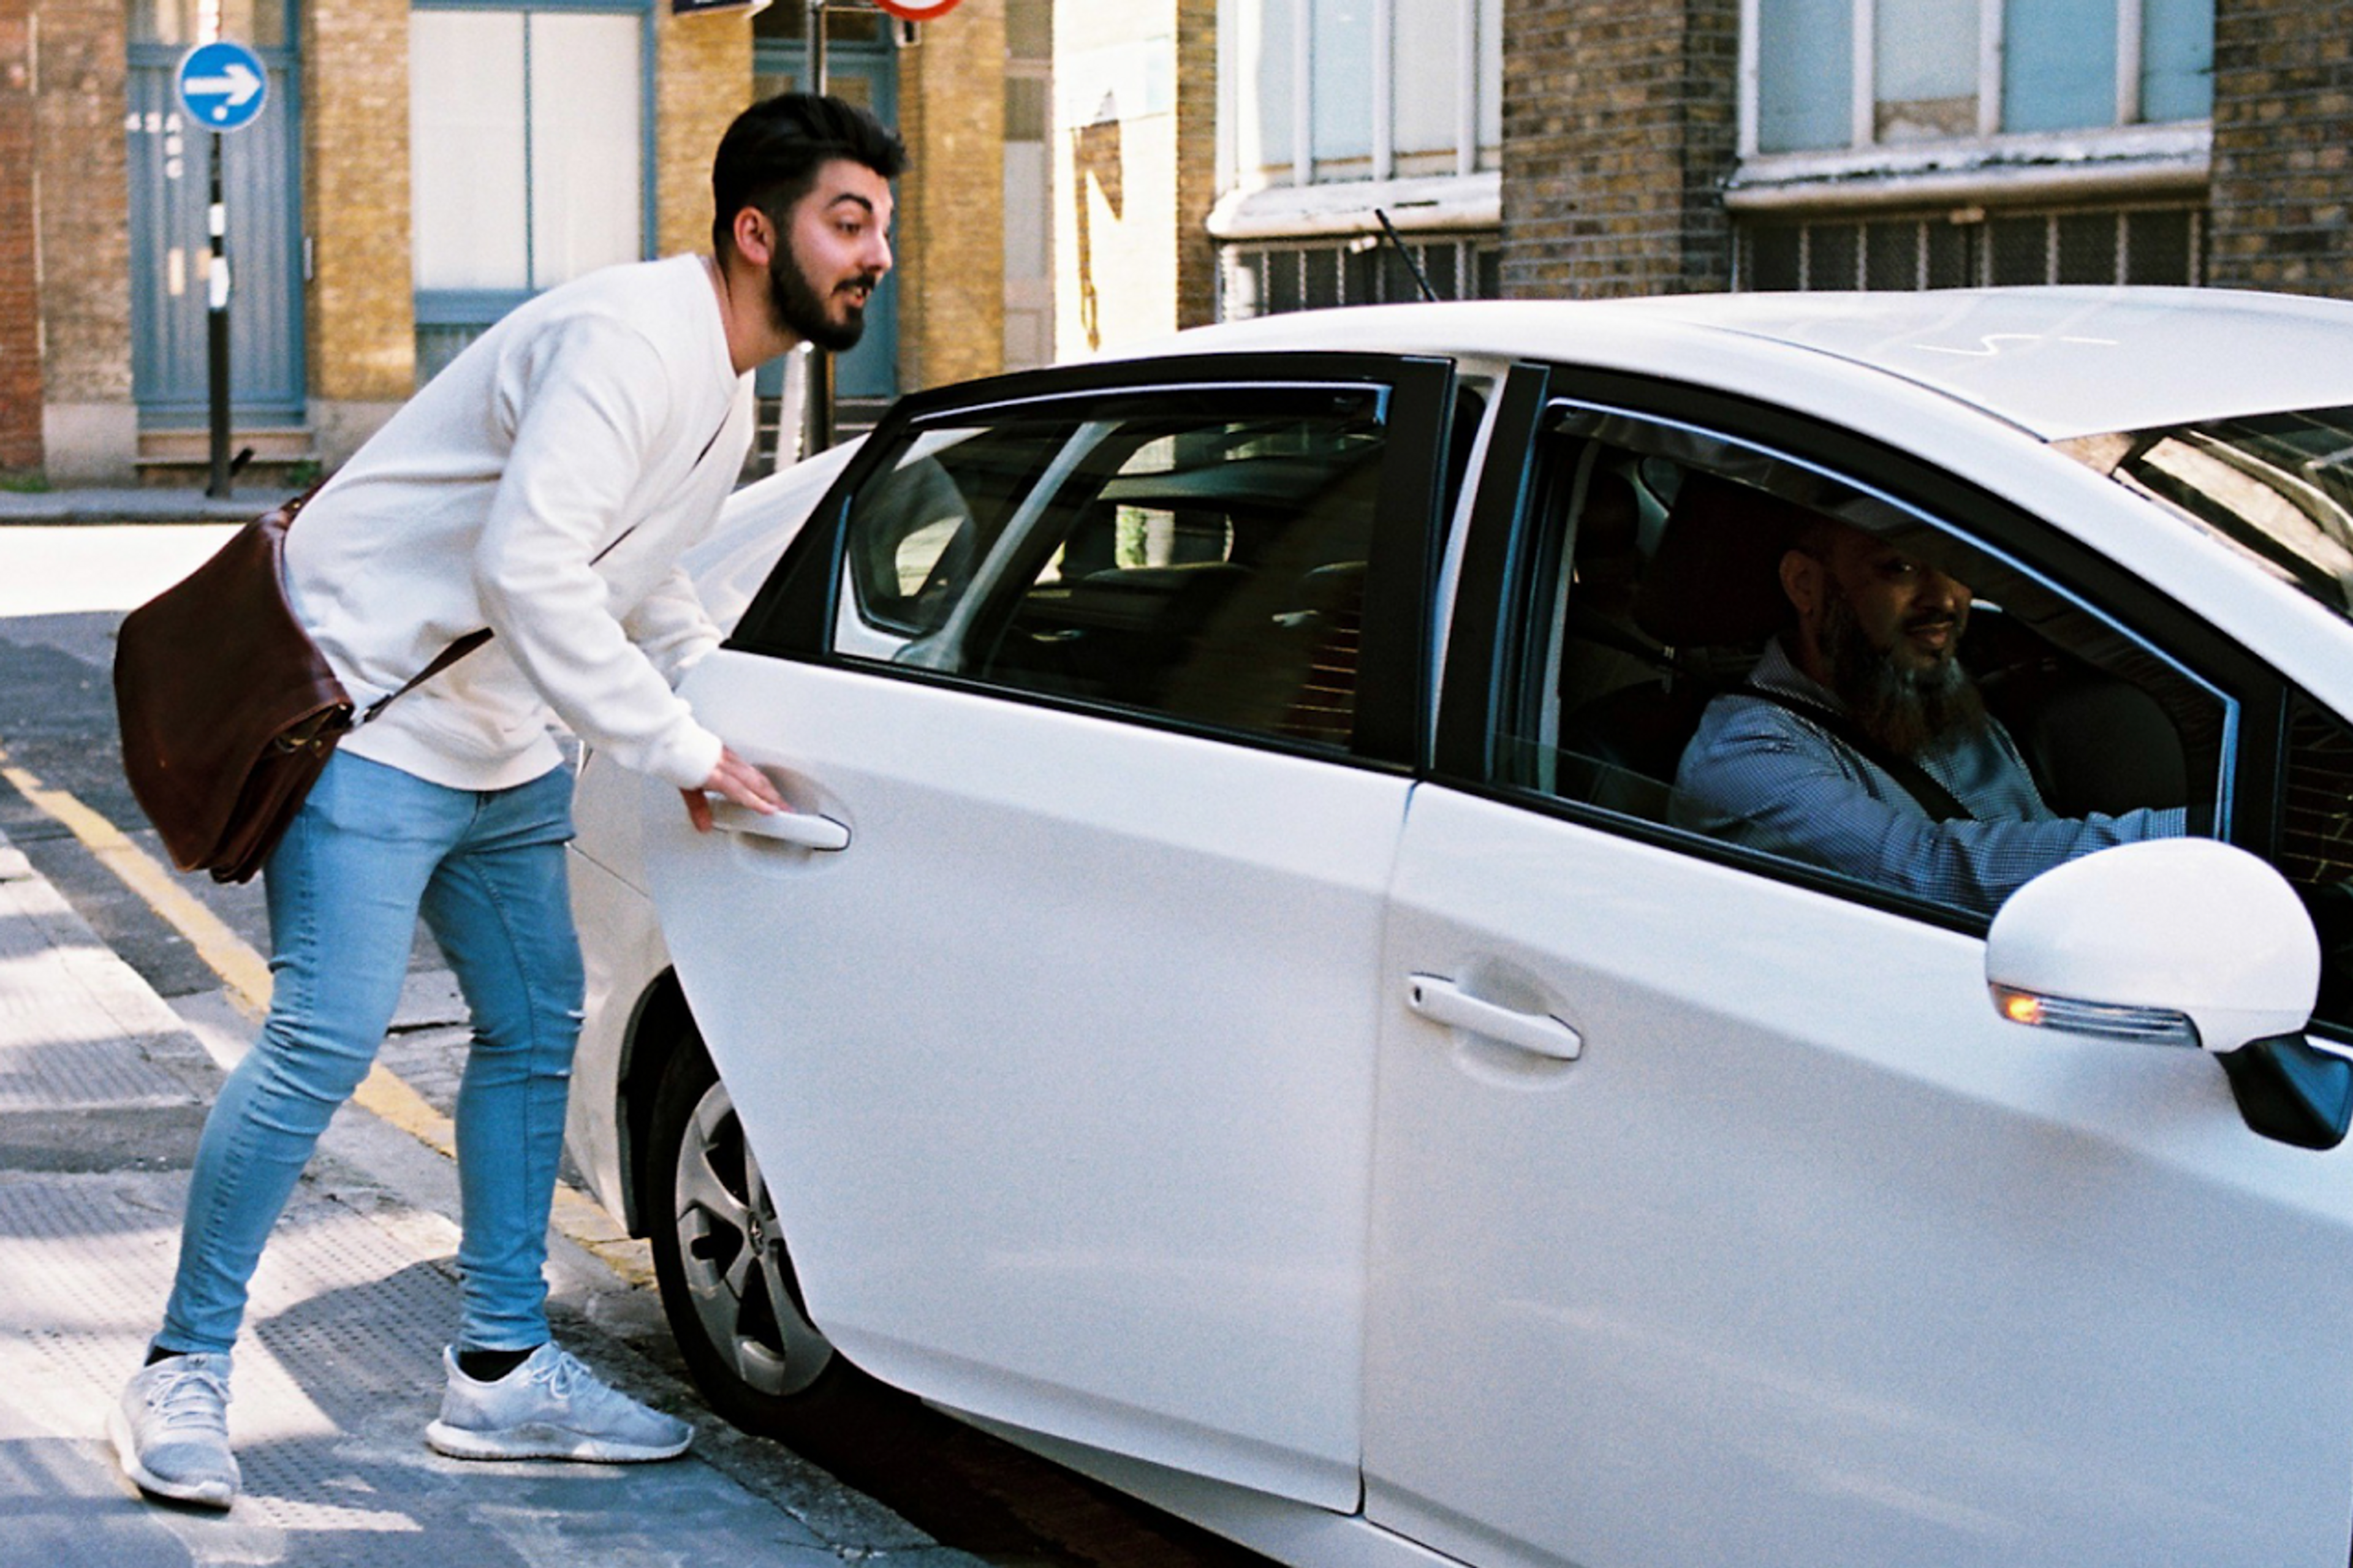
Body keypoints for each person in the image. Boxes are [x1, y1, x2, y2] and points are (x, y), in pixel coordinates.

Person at [109, 93, 904, 1509]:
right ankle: (180, 1364)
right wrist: (674, 749)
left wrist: (709, 724)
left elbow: (638, 574)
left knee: (535, 1028)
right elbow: (529, 570)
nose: (876, 254)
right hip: (374, 722)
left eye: (882, 226)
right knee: (321, 1036)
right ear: (752, 229)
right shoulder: (626, 341)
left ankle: (495, 1372)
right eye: (850, 220)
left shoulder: (716, 385)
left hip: (504, 749)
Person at [1672, 512, 2188, 915]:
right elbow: (1927, 869)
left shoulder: (1916, 688)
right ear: (1805, 584)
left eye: (1959, 566)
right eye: (1901, 568)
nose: (1944, 599)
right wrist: (2188, 846)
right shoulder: (1744, 756)